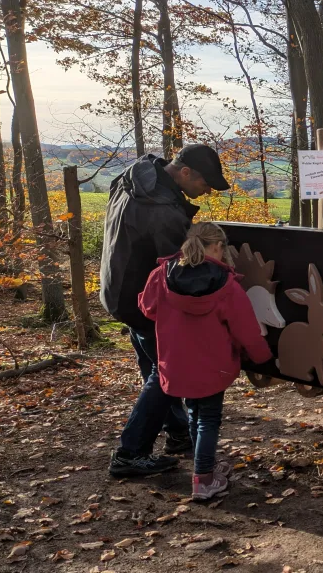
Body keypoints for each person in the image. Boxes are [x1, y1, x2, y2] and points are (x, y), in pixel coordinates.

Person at [100, 145, 231, 477]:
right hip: (142, 299)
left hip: (122, 291)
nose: (209, 190)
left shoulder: (136, 178)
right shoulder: (163, 211)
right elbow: (182, 272)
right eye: (206, 183)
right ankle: (131, 453)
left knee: (152, 365)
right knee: (166, 374)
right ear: (185, 172)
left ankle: (177, 433)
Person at [138, 222, 273, 499]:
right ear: (218, 246)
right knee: (208, 418)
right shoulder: (228, 285)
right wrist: (264, 359)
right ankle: (204, 480)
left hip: (175, 362)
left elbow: (147, 308)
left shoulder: (161, 274)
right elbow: (247, 331)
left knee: (195, 413)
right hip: (214, 366)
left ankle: (206, 467)